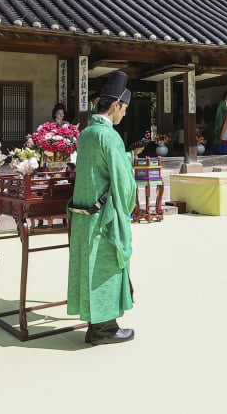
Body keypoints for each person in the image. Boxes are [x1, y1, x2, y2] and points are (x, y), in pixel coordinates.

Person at [67, 71, 138, 345]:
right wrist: (126, 210)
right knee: (106, 267)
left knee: (89, 265)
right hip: (104, 216)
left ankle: (95, 323)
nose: (124, 115)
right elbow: (122, 181)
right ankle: (104, 329)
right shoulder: (109, 136)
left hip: (84, 214)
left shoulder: (86, 133)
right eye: (125, 109)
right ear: (116, 104)